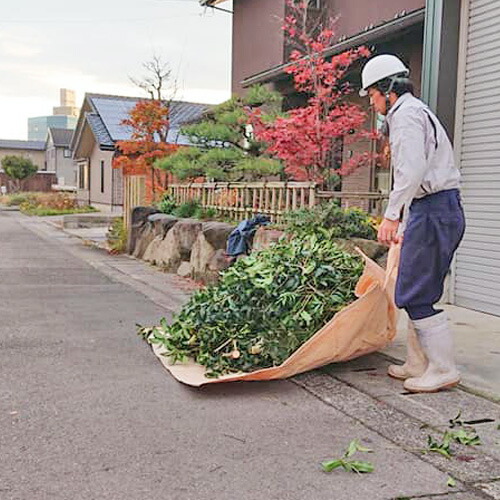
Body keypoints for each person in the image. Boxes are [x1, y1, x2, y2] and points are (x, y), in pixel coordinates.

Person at [359, 54, 465, 393]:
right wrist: (406, 222)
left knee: (415, 292)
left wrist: (391, 216)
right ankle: (419, 363)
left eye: (372, 95)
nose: (372, 103)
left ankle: (443, 369)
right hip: (433, 208)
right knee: (413, 286)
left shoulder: (404, 116)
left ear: (387, 90)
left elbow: (411, 171)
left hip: (434, 209)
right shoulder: (415, 111)